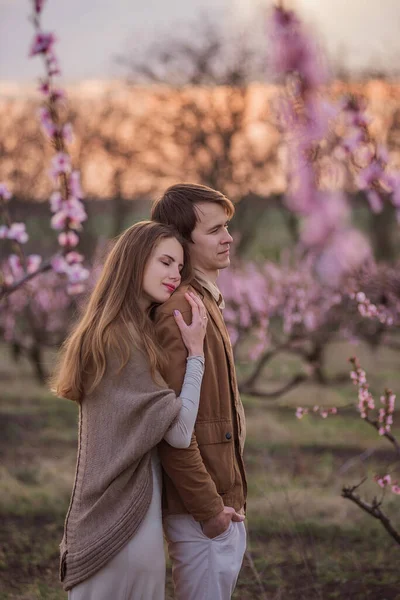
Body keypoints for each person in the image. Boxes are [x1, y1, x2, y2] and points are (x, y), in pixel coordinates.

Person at [50, 220, 208, 599]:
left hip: (105, 518)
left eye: (180, 267)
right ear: (136, 261)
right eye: (165, 262)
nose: (175, 275)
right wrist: (197, 354)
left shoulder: (108, 329)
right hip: (125, 525)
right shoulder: (123, 341)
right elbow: (179, 431)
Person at [151, 183, 247, 600]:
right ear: (182, 244)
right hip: (201, 513)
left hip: (218, 502)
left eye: (227, 226)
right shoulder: (182, 312)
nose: (228, 238)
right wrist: (210, 512)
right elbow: (172, 427)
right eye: (215, 230)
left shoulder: (203, 304)